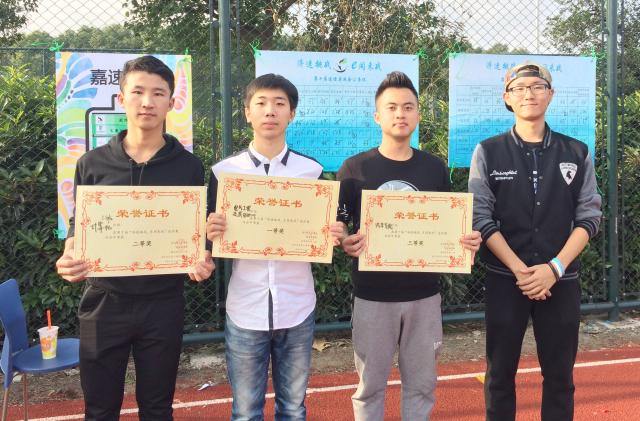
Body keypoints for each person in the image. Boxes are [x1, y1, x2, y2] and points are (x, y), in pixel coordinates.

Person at [55, 55, 214, 421]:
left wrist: (202, 256)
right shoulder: (91, 163)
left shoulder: (189, 166)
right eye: (138, 92)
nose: (147, 102)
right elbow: (80, 225)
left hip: (164, 301)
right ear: (121, 98)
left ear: (171, 103)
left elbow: (194, 228)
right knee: (99, 409)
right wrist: (69, 254)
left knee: (157, 408)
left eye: (158, 93)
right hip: (104, 301)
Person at [336, 71, 482, 421]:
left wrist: (465, 241)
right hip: (372, 295)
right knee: (370, 387)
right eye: (391, 107)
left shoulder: (434, 168)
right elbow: (339, 224)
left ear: (417, 114)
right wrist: (344, 240)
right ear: (377, 116)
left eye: (407, 107)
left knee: (422, 385)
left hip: (424, 295)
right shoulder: (354, 169)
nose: (400, 114)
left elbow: (447, 224)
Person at [468, 62, 602, 421]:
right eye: (520, 88)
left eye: (537, 87)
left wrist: (554, 269)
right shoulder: (488, 151)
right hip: (505, 279)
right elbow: (480, 217)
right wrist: (521, 271)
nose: (529, 94)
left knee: (560, 377)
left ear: (550, 94)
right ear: (507, 98)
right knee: (499, 376)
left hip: (561, 280)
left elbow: (589, 217)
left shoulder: (577, 152)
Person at [205, 73, 343, 420]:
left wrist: (332, 232)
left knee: (293, 409)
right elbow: (206, 237)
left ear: (291, 114)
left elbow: (323, 231)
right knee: (245, 411)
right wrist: (210, 230)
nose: (270, 111)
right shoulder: (224, 173)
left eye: (280, 104)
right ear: (247, 113)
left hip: (297, 305)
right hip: (245, 306)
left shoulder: (311, 171)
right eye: (261, 103)